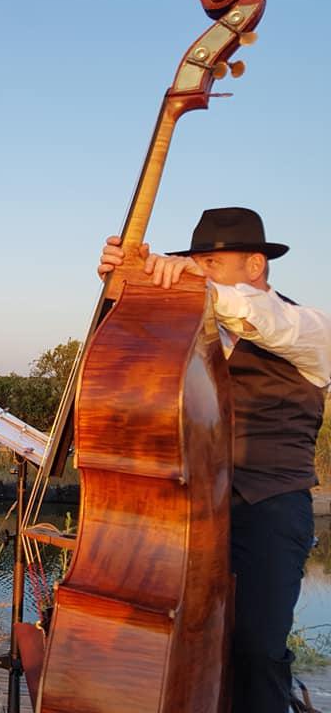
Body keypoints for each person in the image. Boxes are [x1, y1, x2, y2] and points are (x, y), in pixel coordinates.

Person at [98, 206, 331, 713]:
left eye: (211, 264)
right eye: (195, 263)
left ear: (255, 265)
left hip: (267, 505)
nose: (199, 274)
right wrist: (125, 286)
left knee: (257, 648)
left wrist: (203, 289)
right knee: (174, 639)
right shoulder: (188, 334)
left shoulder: (309, 329)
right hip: (185, 508)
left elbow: (267, 321)